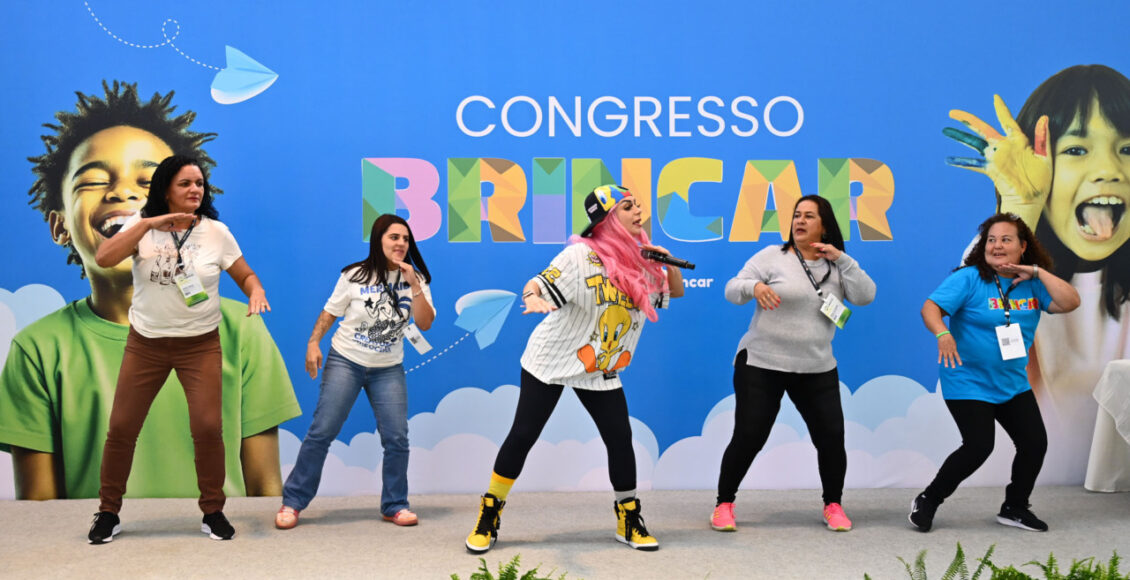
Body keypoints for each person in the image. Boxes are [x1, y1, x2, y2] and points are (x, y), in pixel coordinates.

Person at [1, 81, 299, 501]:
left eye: (150, 181)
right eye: (93, 180)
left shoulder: (241, 330)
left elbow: (266, 490)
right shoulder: (38, 350)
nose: (123, 192)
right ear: (60, 225)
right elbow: (39, 513)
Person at [464, 184, 684, 553]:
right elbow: (537, 283)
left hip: (599, 364)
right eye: (627, 206)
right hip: (551, 359)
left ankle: (628, 518)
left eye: (638, 205)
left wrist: (667, 264)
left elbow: (673, 292)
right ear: (607, 218)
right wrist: (533, 297)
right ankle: (490, 512)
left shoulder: (641, 258)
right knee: (523, 434)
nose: (638, 211)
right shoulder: (580, 255)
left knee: (620, 437)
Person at [945, 65, 1130, 485]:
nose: (1109, 170)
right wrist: (1021, 207)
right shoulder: (1005, 266)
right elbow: (971, 297)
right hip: (1024, 464)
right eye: (1077, 150)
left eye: (1127, 149)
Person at [86, 154, 273, 544]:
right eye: (185, 183)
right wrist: (148, 223)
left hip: (199, 346)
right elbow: (104, 258)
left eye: (199, 184)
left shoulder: (216, 232)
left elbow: (245, 274)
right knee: (121, 427)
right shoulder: (140, 225)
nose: (194, 190)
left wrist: (255, 291)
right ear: (166, 189)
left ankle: (213, 511)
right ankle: (108, 512)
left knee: (207, 428)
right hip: (146, 344)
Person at [711, 194, 876, 533]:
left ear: (825, 226)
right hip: (761, 363)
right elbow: (732, 289)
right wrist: (755, 286)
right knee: (750, 435)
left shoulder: (838, 265)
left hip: (816, 367)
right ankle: (723, 504)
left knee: (832, 437)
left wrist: (843, 260)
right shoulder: (773, 256)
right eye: (797, 215)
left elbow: (865, 296)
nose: (799, 221)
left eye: (808, 216)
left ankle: (833, 505)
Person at [909, 213, 1080, 533]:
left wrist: (1038, 272)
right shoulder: (969, 278)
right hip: (968, 380)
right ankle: (928, 498)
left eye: (1005, 239)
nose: (997, 245)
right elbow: (930, 308)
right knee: (978, 446)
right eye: (991, 240)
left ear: (1023, 246)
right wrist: (942, 334)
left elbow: (1070, 302)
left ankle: (1015, 507)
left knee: (1034, 443)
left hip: (1012, 382)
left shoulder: (1033, 284)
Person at [274, 214, 435, 530]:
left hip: (388, 368)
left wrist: (415, 285)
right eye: (394, 237)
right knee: (322, 430)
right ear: (379, 239)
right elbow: (330, 312)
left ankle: (395, 505)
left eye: (405, 239)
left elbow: (425, 324)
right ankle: (292, 502)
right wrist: (313, 342)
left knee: (397, 437)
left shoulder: (416, 279)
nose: (401, 243)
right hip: (346, 360)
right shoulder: (355, 275)